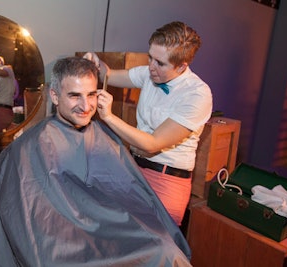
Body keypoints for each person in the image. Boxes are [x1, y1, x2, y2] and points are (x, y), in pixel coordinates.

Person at [0, 57, 192, 266]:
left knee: (164, 250)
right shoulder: (29, 146)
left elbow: (127, 191)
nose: (85, 106)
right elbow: (25, 216)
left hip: (104, 225)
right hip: (58, 237)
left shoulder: (103, 135)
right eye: (74, 96)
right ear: (54, 96)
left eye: (91, 94)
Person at [84, 21, 213, 226]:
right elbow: (108, 75)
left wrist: (108, 117)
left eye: (160, 63)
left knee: (155, 246)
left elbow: (153, 143)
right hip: (134, 168)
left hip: (166, 181)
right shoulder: (150, 73)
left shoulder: (197, 94)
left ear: (181, 66)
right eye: (150, 57)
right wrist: (96, 62)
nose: (151, 67)